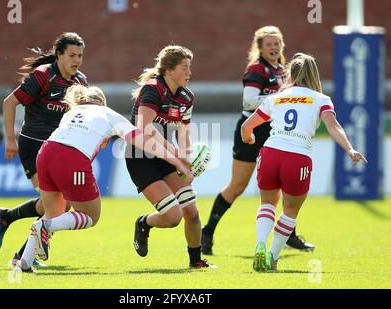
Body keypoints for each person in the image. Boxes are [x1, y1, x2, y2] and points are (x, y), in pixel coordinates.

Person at [14, 85, 193, 272]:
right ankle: (45, 226)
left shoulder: (72, 112)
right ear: (102, 102)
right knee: (90, 215)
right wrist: (177, 161)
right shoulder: (108, 114)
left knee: (53, 212)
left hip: (45, 153)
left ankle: (23, 264)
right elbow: (145, 142)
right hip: (71, 158)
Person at [241, 53, 367, 271]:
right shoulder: (320, 99)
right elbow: (333, 126)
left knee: (267, 203)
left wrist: (248, 138)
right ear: (314, 75)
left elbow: (247, 127)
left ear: (290, 74)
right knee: (290, 209)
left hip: (271, 152)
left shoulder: (275, 98)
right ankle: (272, 257)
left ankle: (260, 243)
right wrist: (350, 149)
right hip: (297, 156)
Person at [201, 26, 315, 255]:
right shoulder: (257, 69)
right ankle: (207, 232)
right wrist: (279, 98)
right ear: (260, 48)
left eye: (277, 43)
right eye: (269, 44)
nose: (274, 48)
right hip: (250, 132)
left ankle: (289, 235)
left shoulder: (284, 70)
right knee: (237, 186)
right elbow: (248, 101)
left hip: (276, 133)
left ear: (282, 45)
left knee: (283, 185)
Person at [0, 32, 87, 266]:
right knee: (57, 206)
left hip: (59, 148)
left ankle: (7, 217)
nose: (77, 60)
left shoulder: (80, 82)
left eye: (80, 55)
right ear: (59, 55)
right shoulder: (43, 76)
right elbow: (9, 102)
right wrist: (10, 139)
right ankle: (23, 257)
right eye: (72, 55)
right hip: (33, 145)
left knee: (62, 205)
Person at [125, 45, 216, 268]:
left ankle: (196, 262)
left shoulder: (186, 97)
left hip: (166, 157)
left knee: (192, 212)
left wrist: (188, 159)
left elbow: (183, 132)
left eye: (189, 67)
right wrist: (177, 157)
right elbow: (145, 128)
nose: (189, 72)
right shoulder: (152, 89)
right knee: (173, 217)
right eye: (184, 68)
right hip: (140, 156)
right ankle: (144, 223)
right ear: (168, 70)